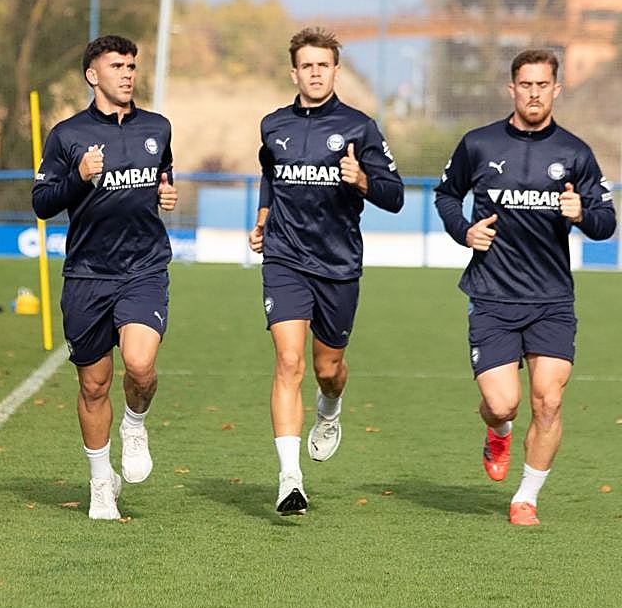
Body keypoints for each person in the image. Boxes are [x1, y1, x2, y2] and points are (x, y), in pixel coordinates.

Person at [434, 49, 615, 526]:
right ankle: (499, 430)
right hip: (492, 295)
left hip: (552, 301)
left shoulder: (575, 153)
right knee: (502, 403)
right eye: (525, 85)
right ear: (511, 89)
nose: (534, 93)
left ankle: (526, 498)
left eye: (542, 85)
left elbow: (606, 221)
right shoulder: (478, 144)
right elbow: (447, 196)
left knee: (549, 401)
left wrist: (583, 215)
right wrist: (464, 231)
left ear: (556, 89)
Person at [248, 26, 403, 515]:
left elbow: (395, 196)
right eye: (306, 65)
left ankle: (330, 409)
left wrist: (363, 180)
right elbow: (271, 178)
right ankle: (289, 478)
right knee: (289, 363)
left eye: (323, 65)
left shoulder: (361, 127)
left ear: (336, 71)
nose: (315, 73)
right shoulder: (273, 125)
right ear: (294, 71)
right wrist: (263, 220)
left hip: (338, 265)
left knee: (327, 369)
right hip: (284, 259)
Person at [32, 34, 178, 521]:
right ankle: (100, 483)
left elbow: (163, 176)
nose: (128, 73)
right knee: (93, 386)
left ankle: (135, 423)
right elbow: (42, 203)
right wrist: (79, 176)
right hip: (88, 276)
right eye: (117, 65)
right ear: (93, 75)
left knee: (139, 365)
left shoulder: (158, 127)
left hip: (143, 269)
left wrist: (165, 195)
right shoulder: (67, 135)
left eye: (132, 65)